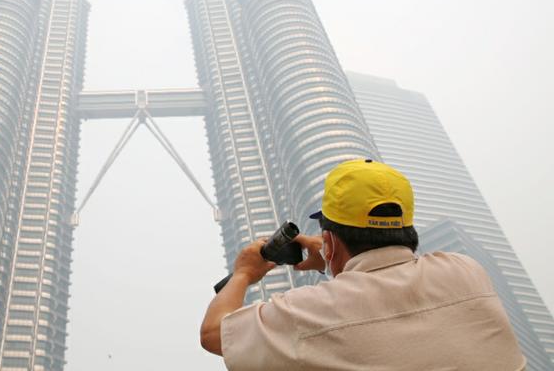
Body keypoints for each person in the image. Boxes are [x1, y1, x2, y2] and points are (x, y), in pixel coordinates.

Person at [200, 158, 526, 370]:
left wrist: (243, 273)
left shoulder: (306, 313)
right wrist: (331, 259)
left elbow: (214, 334)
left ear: (328, 241)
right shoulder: (466, 271)